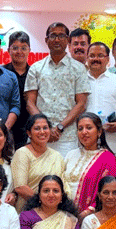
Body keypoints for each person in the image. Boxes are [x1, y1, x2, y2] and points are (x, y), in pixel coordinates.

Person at [25, 22, 90, 156]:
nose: (57, 40)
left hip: (67, 137)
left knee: (66, 170)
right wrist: (45, 128)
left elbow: (81, 104)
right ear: (46, 40)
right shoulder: (36, 68)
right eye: (53, 36)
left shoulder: (79, 69)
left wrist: (59, 127)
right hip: (39, 136)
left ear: (67, 40)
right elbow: (30, 103)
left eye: (61, 36)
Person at [62, 112, 116, 218]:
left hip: (90, 217)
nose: (84, 132)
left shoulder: (108, 159)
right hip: (63, 213)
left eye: (89, 128)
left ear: (99, 132)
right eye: (80, 129)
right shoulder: (71, 154)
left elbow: (109, 192)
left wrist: (85, 214)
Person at [11, 113, 66, 211]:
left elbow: (63, 184)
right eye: (37, 129)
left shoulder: (57, 156)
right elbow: (20, 187)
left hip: (55, 210)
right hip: (29, 210)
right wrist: (44, 203)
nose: (42, 132)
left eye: (45, 128)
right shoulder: (22, 153)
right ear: (29, 133)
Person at [3, 31, 32, 148]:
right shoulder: (1, 73)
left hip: (29, 130)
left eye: (23, 48)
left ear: (29, 50)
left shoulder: (35, 74)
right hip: (6, 128)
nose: (19, 52)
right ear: (8, 50)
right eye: (15, 48)